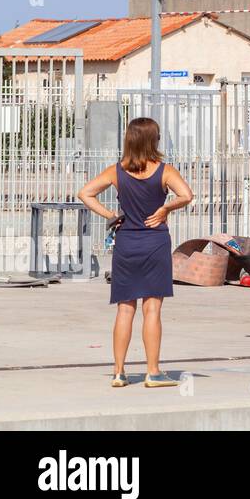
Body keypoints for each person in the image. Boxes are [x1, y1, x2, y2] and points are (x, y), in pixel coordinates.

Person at [77, 117, 194, 387]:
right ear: (154, 140)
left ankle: (119, 372)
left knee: (124, 309)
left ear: (129, 140)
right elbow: (186, 195)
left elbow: (85, 193)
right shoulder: (164, 171)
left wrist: (111, 215)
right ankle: (153, 372)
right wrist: (165, 209)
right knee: (152, 309)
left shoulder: (116, 171)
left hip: (126, 242)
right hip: (155, 242)